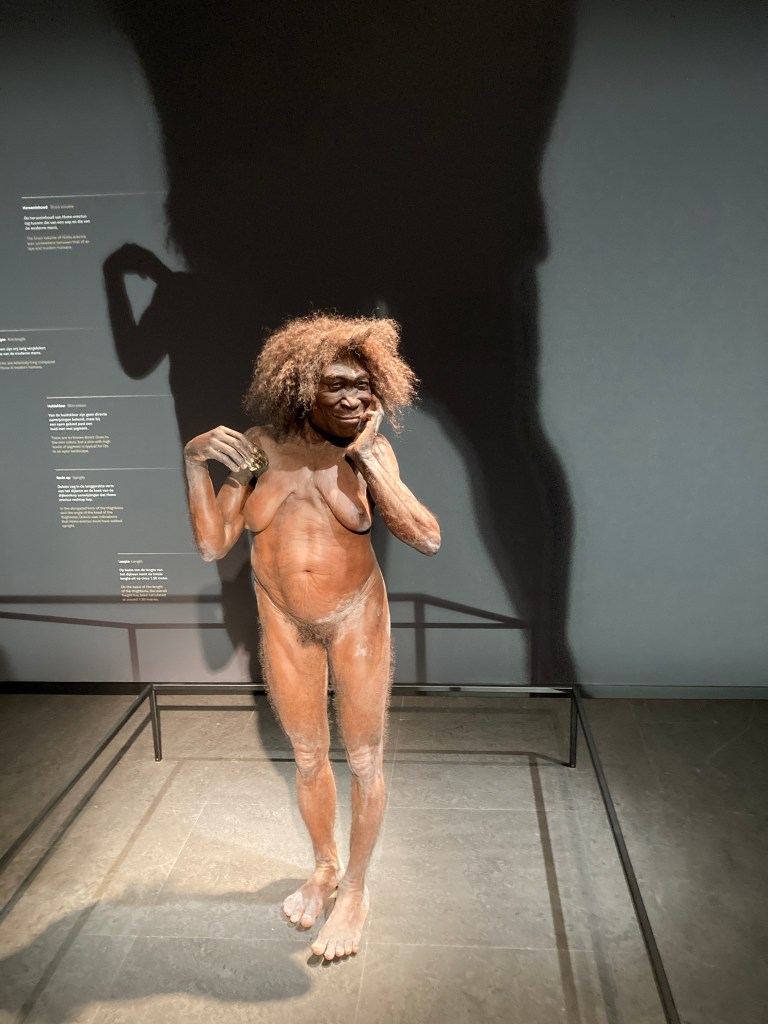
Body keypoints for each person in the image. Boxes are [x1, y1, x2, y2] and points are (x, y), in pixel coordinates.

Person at [183, 312, 441, 960]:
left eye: (364, 386)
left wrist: (370, 462)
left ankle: (356, 889)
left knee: (365, 761)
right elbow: (213, 544)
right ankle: (326, 867)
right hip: (283, 617)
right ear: (301, 385)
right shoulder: (260, 447)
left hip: (355, 613)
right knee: (306, 757)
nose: (355, 398)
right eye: (338, 385)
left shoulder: (369, 450)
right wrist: (192, 462)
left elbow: (427, 537)